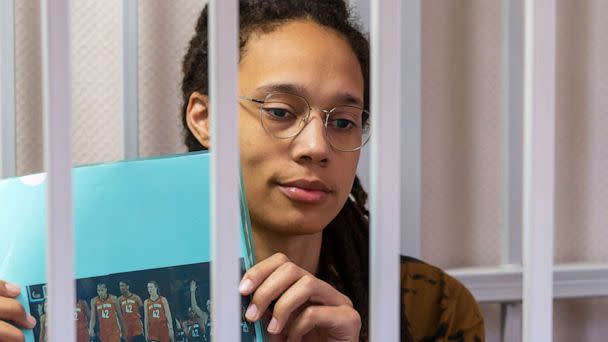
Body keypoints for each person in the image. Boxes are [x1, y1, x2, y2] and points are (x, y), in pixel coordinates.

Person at [0, 1, 484, 341]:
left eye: (342, 121)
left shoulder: (427, 309)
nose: (317, 147)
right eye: (280, 111)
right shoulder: (73, 284)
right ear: (204, 118)